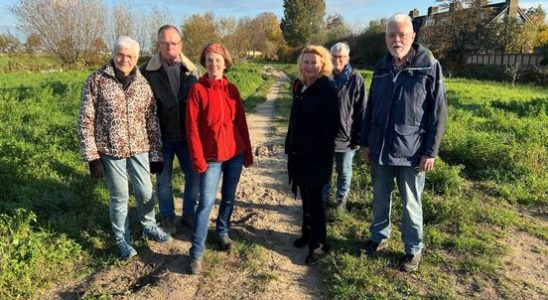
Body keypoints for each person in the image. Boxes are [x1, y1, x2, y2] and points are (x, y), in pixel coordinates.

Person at [360, 14, 447, 272]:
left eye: (401, 34)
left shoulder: (429, 66)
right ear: (385, 38)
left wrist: (430, 151)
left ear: (412, 37)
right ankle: (379, 237)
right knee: (379, 199)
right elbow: (371, 108)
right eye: (390, 35)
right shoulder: (381, 67)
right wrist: (366, 142)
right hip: (381, 148)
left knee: (411, 203)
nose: (396, 40)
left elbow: (438, 112)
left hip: (413, 152)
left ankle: (412, 249)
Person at [77, 36, 172, 260]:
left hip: (140, 148)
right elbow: (85, 120)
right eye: (120, 54)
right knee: (119, 196)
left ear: (136, 59)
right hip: (110, 151)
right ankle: (122, 239)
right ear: (113, 54)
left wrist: (156, 154)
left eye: (130, 56)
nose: (124, 59)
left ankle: (149, 225)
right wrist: (92, 158)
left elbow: (151, 120)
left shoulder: (142, 84)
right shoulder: (96, 81)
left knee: (145, 191)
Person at [186, 43, 253, 275]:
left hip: (234, 153)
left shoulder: (232, 90)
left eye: (218, 60)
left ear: (225, 64)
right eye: (209, 60)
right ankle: (196, 253)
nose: (214, 64)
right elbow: (192, 129)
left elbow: (241, 122)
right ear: (204, 63)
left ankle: (222, 231)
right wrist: (198, 159)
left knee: (228, 197)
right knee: (205, 203)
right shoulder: (197, 90)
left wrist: (248, 151)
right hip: (211, 158)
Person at [140, 25, 200, 235]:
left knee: (194, 178)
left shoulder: (192, 70)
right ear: (158, 45)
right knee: (163, 182)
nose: (169, 47)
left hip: (187, 137)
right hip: (160, 138)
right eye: (165, 43)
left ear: (180, 44)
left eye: (173, 43)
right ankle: (167, 218)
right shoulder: (146, 71)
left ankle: (189, 216)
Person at [285, 45, 339, 265]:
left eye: (313, 62)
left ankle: (319, 245)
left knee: (316, 202)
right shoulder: (300, 87)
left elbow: (332, 126)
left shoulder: (327, 89)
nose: (309, 66)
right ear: (301, 65)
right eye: (305, 62)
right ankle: (307, 234)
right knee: (306, 197)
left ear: (322, 65)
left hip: (317, 156)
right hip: (300, 154)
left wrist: (316, 149)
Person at [323, 42, 366, 210]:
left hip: (347, 137)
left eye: (341, 57)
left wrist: (358, 137)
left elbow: (362, 110)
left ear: (347, 58)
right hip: (325, 136)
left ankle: (341, 199)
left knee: (344, 171)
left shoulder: (356, 78)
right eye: (334, 56)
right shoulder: (324, 77)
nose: (337, 60)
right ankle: (323, 199)